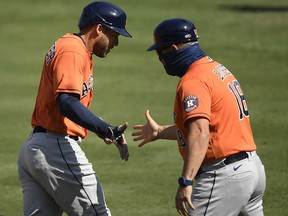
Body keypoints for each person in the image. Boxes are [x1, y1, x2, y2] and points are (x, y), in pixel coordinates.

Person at [132, 18, 266, 216]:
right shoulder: (216, 69)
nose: (160, 58)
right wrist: (160, 132)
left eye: (161, 52)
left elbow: (201, 131)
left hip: (223, 176)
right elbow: (212, 127)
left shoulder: (193, 81)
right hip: (252, 169)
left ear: (174, 48)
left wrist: (186, 180)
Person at [17, 1, 132, 215]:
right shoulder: (73, 50)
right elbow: (67, 103)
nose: (116, 42)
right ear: (99, 29)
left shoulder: (71, 47)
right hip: (55, 148)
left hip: (37, 147)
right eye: (115, 35)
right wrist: (105, 128)